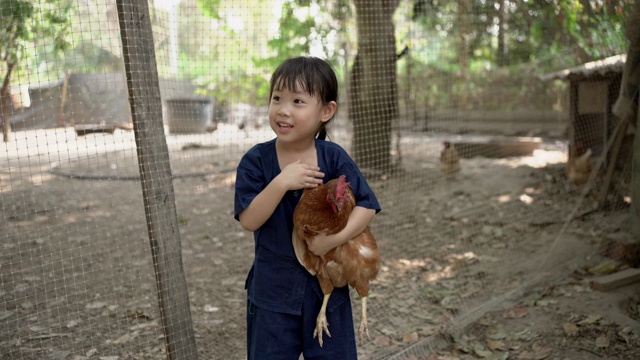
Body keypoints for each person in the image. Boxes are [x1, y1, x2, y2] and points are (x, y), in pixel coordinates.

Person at [234, 56, 381, 359]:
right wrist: (281, 182)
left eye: (298, 100)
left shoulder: (333, 157)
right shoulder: (256, 161)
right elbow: (249, 220)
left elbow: (367, 205)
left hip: (327, 286)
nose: (283, 109)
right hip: (272, 290)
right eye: (277, 98)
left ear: (326, 111)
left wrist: (334, 240)